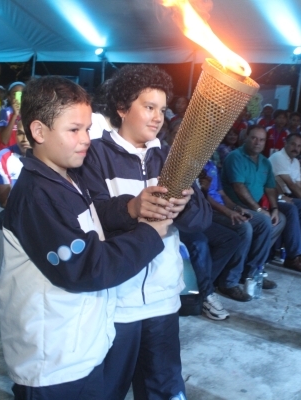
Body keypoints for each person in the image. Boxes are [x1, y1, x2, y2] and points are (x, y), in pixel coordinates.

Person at [0, 75, 171, 399]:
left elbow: (96, 226)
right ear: (39, 132)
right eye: (74, 130)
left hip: (80, 350)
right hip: (53, 364)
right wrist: (148, 234)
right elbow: (87, 267)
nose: (85, 139)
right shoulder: (38, 196)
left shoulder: (68, 178)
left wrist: (132, 208)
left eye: (88, 129)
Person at [81, 64, 212, 400]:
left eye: (162, 110)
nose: (157, 118)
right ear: (122, 107)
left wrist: (186, 206)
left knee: (164, 390)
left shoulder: (171, 158)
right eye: (149, 107)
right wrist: (131, 207)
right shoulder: (94, 155)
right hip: (116, 303)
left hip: (162, 301)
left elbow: (201, 222)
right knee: (106, 390)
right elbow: (90, 217)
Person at [221, 126, 301, 274]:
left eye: (262, 140)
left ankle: (263, 263)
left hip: (260, 203)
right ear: (245, 138)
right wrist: (259, 209)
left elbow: (270, 188)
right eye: (254, 138)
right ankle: (251, 270)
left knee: (281, 217)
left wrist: (274, 208)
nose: (257, 142)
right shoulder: (235, 157)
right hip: (238, 205)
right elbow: (239, 188)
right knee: (268, 220)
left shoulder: (264, 161)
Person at [201, 159, 282, 300]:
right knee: (244, 227)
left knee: (264, 222)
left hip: (223, 207)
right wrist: (228, 212)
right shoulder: (193, 163)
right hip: (209, 210)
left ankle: (251, 274)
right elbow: (203, 197)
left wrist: (236, 208)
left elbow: (222, 194)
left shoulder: (212, 164)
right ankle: (229, 282)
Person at [0, 121, 30, 208]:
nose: (25, 139)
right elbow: (5, 202)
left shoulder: (50, 156)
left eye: (29, 133)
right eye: (20, 133)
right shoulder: (3, 157)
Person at [0, 81, 25, 152]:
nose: (19, 97)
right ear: (9, 97)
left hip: (20, 153)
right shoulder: (5, 112)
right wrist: (15, 115)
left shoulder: (28, 113)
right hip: (6, 153)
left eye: (22, 94)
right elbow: (4, 140)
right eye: (15, 94)